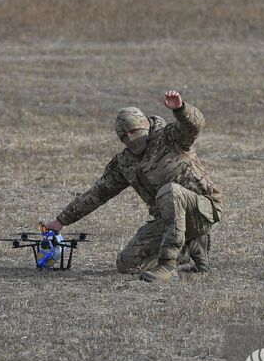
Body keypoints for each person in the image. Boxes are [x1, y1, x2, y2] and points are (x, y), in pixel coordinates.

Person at [46, 91, 222, 283]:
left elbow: (194, 125)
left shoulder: (170, 138)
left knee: (170, 191)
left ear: (144, 124)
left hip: (202, 210)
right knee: (127, 263)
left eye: (133, 130)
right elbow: (98, 193)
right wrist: (61, 220)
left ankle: (167, 265)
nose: (130, 137)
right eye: (124, 135)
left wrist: (180, 109)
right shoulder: (125, 163)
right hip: (169, 219)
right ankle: (193, 246)